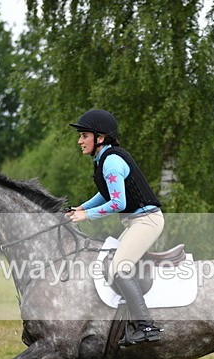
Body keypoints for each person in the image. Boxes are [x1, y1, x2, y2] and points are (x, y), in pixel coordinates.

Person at [67, 109, 164, 345]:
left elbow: (118, 202)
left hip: (147, 221)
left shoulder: (111, 161)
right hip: (137, 221)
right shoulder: (104, 158)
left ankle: (146, 326)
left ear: (100, 137)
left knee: (120, 268)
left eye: (84, 135)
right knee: (110, 263)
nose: (80, 141)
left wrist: (86, 216)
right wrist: (81, 207)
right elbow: (105, 194)